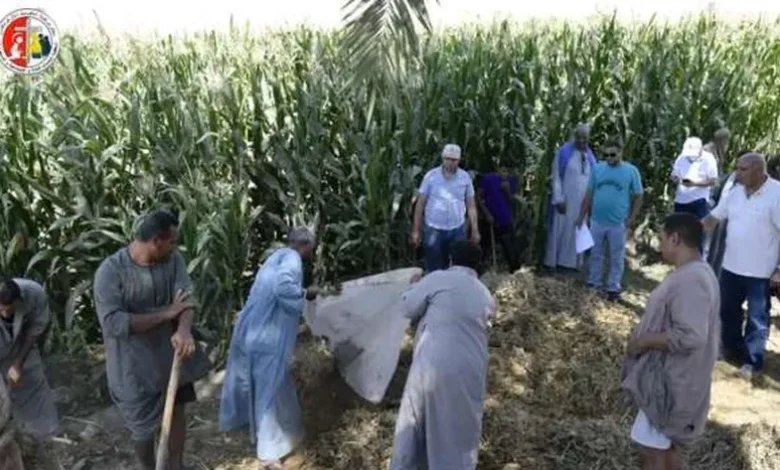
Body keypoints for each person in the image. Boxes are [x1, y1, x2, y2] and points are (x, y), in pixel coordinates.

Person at [93, 209, 212, 470]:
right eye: (172, 241)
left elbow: (186, 299)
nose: (176, 247)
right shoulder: (110, 273)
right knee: (143, 430)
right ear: (156, 241)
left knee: (178, 410)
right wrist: (167, 313)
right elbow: (114, 323)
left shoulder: (173, 260)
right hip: (133, 366)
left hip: (171, 356)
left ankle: (176, 466)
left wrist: (183, 330)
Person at [621, 213, 720, 470]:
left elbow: (691, 336)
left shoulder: (692, 280)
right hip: (673, 383)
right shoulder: (697, 273)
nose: (660, 245)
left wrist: (643, 341)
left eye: (663, 239)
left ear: (675, 238)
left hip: (670, 387)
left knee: (652, 453)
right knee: (669, 454)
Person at [389, 240, 495, 470]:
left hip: (431, 362)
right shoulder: (485, 294)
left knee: (414, 422)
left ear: (450, 260)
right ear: (478, 266)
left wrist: (413, 287)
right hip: (470, 368)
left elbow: (407, 308)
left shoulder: (438, 278)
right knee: (456, 428)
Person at [219, 227, 318, 470]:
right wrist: (306, 294)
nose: (310, 254)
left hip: (252, 329)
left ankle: (279, 437)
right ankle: (268, 453)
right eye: (311, 249)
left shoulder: (276, 257)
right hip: (267, 336)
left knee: (266, 386)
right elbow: (283, 289)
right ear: (304, 245)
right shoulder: (293, 259)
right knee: (270, 391)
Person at [702, 152, 780, 380]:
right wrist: (686, 230)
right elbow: (713, 218)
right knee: (727, 311)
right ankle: (732, 350)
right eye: (737, 168)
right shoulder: (735, 193)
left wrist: (779, 270)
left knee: (757, 318)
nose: (738, 173)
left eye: (743, 169)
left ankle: (752, 362)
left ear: (758, 170)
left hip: (761, 271)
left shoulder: (776, 194)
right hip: (731, 267)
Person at [0, 278, 61, 467]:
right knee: (3, 401)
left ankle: (49, 440)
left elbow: (35, 329)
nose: (4, 312)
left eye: (8, 308)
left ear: (18, 299)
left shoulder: (33, 293)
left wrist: (18, 364)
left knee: (35, 386)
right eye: (0, 308)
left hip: (20, 345)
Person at [577, 137, 643, 301]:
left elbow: (638, 196)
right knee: (595, 254)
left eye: (613, 154)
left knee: (616, 256)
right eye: (606, 155)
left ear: (621, 153)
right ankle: (593, 283)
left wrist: (632, 219)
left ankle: (613, 288)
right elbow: (589, 194)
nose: (609, 158)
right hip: (597, 220)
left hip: (618, 222)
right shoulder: (597, 169)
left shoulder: (631, 171)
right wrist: (581, 216)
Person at [411, 143, 480, 273]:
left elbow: (471, 204)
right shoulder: (431, 177)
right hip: (434, 229)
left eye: (454, 160)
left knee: (459, 267)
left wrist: (475, 229)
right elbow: (420, 204)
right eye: (448, 159)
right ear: (443, 159)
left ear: (459, 160)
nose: (451, 163)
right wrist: (416, 230)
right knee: (434, 268)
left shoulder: (465, 178)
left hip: (457, 228)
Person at [544, 123, 597, 271]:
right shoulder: (564, 152)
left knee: (578, 229)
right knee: (560, 229)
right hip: (565, 200)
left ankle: (572, 263)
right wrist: (559, 198)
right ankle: (554, 262)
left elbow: (594, 180)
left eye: (584, 138)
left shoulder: (590, 156)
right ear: (575, 136)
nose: (581, 141)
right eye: (579, 137)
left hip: (582, 203)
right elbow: (556, 177)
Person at [477, 162, 520, 271]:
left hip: (505, 218)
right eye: (503, 170)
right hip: (489, 218)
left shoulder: (511, 181)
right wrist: (486, 213)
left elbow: (511, 201)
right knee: (484, 245)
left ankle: (514, 271)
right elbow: (478, 197)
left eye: (508, 172)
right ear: (498, 169)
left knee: (509, 245)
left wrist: (507, 190)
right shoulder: (488, 179)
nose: (505, 174)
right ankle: (480, 269)